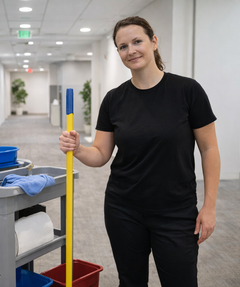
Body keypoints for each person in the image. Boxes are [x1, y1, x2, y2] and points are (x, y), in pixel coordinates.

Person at [59, 16, 220, 287]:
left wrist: (210, 206)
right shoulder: (114, 99)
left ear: (153, 42)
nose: (131, 50)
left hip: (175, 210)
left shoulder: (187, 91)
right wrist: (78, 149)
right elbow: (100, 154)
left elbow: (209, 148)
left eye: (137, 42)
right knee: (131, 282)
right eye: (123, 46)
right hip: (123, 208)